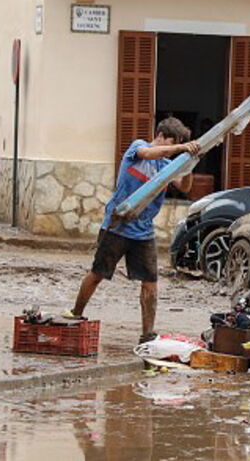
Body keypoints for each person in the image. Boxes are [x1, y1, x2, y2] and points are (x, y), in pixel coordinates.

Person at [66, 117, 200, 343]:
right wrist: (180, 148)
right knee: (98, 273)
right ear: (162, 136)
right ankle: (76, 313)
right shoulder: (138, 147)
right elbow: (148, 154)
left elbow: (184, 186)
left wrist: (189, 163)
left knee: (150, 282)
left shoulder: (167, 166)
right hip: (117, 225)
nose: (171, 152)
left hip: (143, 232)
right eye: (172, 143)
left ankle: (147, 334)